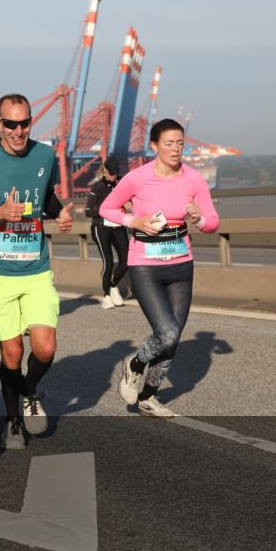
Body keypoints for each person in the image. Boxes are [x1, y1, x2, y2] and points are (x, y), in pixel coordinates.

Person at [0, 93, 74, 449]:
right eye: (11, 124)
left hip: (35, 267)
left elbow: (45, 197)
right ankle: (12, 421)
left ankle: (30, 389)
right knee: (11, 354)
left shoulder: (44, 155)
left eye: (25, 123)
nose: (19, 131)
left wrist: (60, 211)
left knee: (45, 349)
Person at [102, 118, 220, 417]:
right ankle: (135, 364)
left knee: (173, 338)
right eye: (169, 143)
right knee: (165, 333)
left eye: (180, 143)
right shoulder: (137, 178)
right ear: (154, 145)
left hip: (181, 265)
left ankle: (148, 397)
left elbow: (212, 221)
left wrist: (199, 219)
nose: (176, 149)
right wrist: (133, 221)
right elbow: (107, 208)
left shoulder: (193, 179)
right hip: (145, 266)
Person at [85, 156, 130, 309]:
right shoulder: (97, 187)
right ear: (105, 171)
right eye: (111, 173)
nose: (113, 176)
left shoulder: (122, 183)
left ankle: (112, 285)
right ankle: (106, 295)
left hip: (119, 226)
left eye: (115, 173)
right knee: (109, 262)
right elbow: (88, 211)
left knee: (126, 260)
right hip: (101, 228)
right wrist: (106, 210)